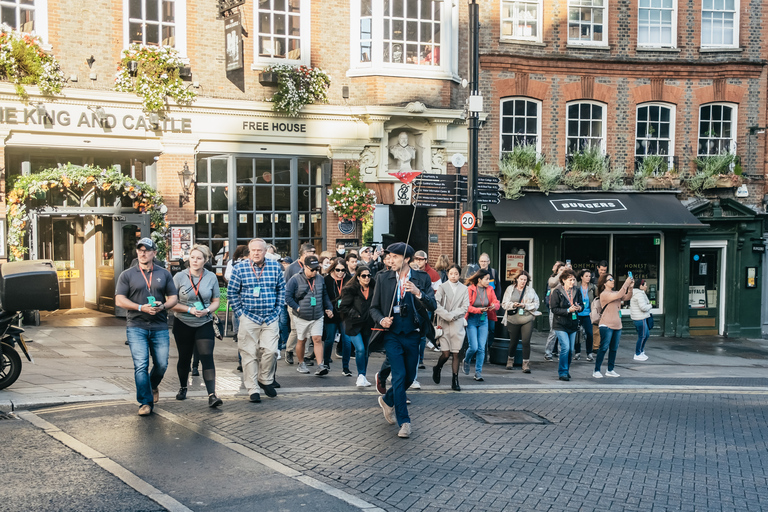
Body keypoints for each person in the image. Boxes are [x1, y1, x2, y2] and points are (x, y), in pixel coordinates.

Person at [370, 242, 436, 439]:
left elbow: (432, 305)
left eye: (395, 257)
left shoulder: (422, 278)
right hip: (392, 335)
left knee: (409, 377)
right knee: (398, 376)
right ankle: (405, 422)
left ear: (406, 259)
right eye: (389, 257)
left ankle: (388, 400)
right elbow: (373, 308)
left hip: (413, 334)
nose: (391, 260)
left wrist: (418, 292)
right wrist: (382, 319)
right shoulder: (383, 277)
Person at [115, 237, 179, 416]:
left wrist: (163, 306)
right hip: (136, 325)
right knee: (141, 365)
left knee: (161, 364)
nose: (143, 253)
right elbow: (119, 299)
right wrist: (140, 307)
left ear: (154, 253)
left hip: (159, 326)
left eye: (147, 250)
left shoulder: (164, 273)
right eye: (140, 250)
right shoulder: (127, 275)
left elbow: (173, 298)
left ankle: (152, 385)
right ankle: (145, 402)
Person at [227, 238, 284, 402]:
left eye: (260, 250)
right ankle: (252, 389)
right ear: (249, 251)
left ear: (265, 251)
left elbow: (282, 289)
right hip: (249, 316)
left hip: (270, 316)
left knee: (271, 351)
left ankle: (265, 379)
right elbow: (232, 293)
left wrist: (278, 309)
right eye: (254, 250)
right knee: (249, 354)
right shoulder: (240, 268)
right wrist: (240, 313)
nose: (257, 253)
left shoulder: (275, 267)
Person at [170, 244, 222, 408]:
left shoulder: (211, 277)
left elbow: (216, 301)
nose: (195, 261)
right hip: (183, 322)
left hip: (204, 322)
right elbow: (171, 303)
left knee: (207, 356)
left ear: (205, 260)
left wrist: (206, 310)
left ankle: (212, 395)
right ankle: (183, 387)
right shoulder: (179, 277)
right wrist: (189, 310)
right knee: (184, 358)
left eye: (199, 258)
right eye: (192, 258)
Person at [285, 255, 334, 376]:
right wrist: (297, 307)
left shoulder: (320, 279)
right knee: (302, 340)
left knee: (317, 339)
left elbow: (325, 295)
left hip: (317, 315)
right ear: (305, 267)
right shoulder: (295, 279)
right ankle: (301, 363)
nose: (315, 272)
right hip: (301, 316)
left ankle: (320, 365)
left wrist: (329, 308)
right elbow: (287, 297)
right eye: (312, 269)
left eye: (317, 269)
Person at [431, 264, 469, 391]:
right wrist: (447, 315)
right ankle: (438, 367)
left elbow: (465, 307)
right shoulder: (442, 287)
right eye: (451, 273)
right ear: (447, 274)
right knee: (446, 354)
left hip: (457, 323)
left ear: (459, 275)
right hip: (444, 323)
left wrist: (452, 315)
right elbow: (435, 303)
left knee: (457, 353)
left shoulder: (464, 289)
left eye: (456, 274)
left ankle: (455, 379)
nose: (453, 276)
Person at [339, 265, 376, 387]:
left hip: (368, 324)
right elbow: (343, 306)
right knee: (359, 349)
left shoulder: (374, 288)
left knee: (366, 351)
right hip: (353, 324)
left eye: (368, 275)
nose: (367, 278)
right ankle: (360, 376)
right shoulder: (350, 289)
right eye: (364, 276)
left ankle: (363, 375)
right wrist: (354, 314)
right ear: (358, 277)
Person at [593, 272, 633, 378]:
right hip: (606, 325)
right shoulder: (604, 294)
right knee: (603, 347)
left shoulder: (614, 292)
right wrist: (626, 283)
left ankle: (610, 369)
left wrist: (631, 288)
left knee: (614, 348)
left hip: (617, 325)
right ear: (604, 283)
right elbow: (619, 295)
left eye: (613, 279)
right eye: (610, 280)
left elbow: (627, 297)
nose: (613, 281)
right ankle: (596, 370)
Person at [463, 269, 500, 382]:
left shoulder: (490, 289)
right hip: (472, 319)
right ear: (480, 279)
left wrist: (494, 305)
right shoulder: (470, 289)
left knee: (481, 348)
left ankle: (478, 372)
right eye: (487, 279)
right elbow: (467, 306)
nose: (489, 281)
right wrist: (478, 310)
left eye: (489, 279)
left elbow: (496, 302)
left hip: (484, 319)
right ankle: (466, 360)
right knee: (473, 346)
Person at [500, 269, 540, 373]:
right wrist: (513, 304)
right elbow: (504, 304)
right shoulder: (510, 289)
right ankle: (510, 360)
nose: (523, 281)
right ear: (517, 279)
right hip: (513, 319)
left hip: (527, 318)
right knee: (513, 342)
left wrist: (525, 305)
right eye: (521, 279)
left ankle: (525, 364)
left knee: (526, 341)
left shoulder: (530, 290)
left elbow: (536, 304)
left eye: (525, 280)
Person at [284, 243, 317, 365]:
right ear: (304, 253)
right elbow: (286, 286)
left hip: (309, 304)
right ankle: (289, 350)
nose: (314, 254)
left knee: (307, 330)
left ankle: (304, 356)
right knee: (295, 329)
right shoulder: (292, 268)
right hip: (294, 303)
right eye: (311, 252)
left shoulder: (314, 265)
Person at [549, 268, 583, 381]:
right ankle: (562, 372)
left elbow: (582, 305)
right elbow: (554, 309)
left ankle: (566, 370)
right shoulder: (557, 291)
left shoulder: (577, 291)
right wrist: (568, 310)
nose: (572, 282)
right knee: (566, 347)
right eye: (570, 280)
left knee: (570, 350)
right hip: (560, 324)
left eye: (573, 280)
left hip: (572, 324)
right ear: (563, 280)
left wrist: (579, 308)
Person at [324, 257, 348, 371]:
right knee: (329, 339)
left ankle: (346, 367)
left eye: (343, 270)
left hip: (345, 314)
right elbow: (324, 296)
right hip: (331, 313)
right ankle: (325, 362)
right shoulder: (327, 279)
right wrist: (327, 309)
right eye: (337, 270)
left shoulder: (349, 279)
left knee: (346, 340)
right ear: (333, 269)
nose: (340, 273)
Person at [544, 261, 565, 361]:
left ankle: (562, 353)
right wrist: (561, 273)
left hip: (565, 308)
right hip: (554, 308)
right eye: (560, 270)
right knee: (553, 331)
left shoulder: (568, 281)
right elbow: (552, 283)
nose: (563, 272)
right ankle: (548, 353)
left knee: (563, 330)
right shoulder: (553, 279)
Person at [575, 269, 598, 362]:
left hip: (588, 313)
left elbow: (597, 299)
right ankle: (577, 352)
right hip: (577, 313)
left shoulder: (593, 287)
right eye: (586, 276)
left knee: (589, 333)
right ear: (581, 277)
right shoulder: (576, 286)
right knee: (577, 333)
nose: (588, 278)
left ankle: (589, 353)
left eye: (589, 276)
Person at [630, 279, 653, 361]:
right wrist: (650, 306)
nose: (646, 286)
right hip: (640, 318)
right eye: (645, 285)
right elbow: (643, 307)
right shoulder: (639, 294)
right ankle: (637, 353)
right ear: (641, 286)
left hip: (640, 317)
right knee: (642, 336)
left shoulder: (639, 293)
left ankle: (641, 351)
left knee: (646, 335)